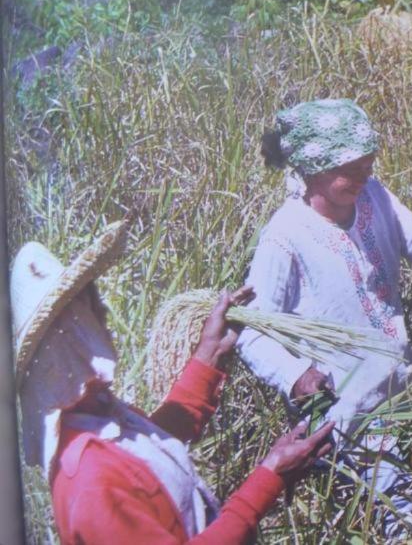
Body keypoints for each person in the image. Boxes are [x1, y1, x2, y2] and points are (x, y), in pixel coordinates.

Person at [237, 98, 412, 536]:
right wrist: (296, 376)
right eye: (348, 168)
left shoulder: (374, 198)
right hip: (347, 414)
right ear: (311, 167)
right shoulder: (285, 237)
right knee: (406, 524)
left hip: (403, 394)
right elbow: (251, 330)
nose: (363, 175)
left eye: (367, 163)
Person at [11, 220, 335, 544]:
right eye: (93, 308)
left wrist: (211, 352)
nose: (105, 313)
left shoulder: (94, 416)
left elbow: (153, 447)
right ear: (72, 338)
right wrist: (270, 478)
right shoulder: (91, 482)